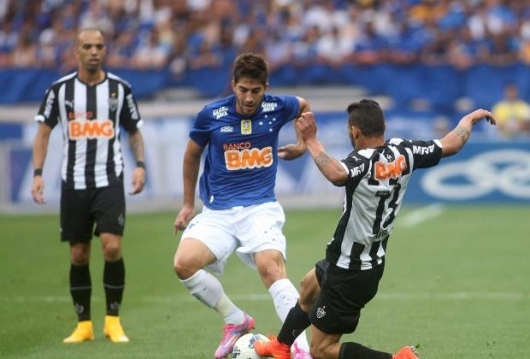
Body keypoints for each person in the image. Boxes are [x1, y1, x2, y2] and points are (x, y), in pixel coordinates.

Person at [254, 99, 496, 359]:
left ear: (355, 131)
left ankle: (397, 358)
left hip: (349, 271)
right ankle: (280, 346)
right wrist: (469, 118)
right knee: (309, 286)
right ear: (383, 127)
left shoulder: (362, 161)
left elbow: (336, 174)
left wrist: (311, 139)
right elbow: (452, 143)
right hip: (363, 262)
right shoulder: (403, 151)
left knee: (322, 350)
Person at [173, 52, 312, 359]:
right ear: (233, 85)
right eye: (243, 90)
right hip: (218, 211)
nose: (249, 98)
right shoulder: (212, 115)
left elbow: (303, 105)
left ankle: (302, 350)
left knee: (271, 268)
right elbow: (191, 155)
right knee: (183, 264)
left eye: (256, 91)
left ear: (266, 87)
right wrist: (187, 204)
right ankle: (235, 319)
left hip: (260, 207)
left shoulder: (278, 107)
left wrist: (303, 144)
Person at [31, 27, 146, 343]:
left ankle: (113, 320)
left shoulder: (121, 89)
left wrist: (140, 166)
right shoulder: (60, 90)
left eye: (99, 46)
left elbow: (134, 131)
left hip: (110, 178)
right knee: (79, 254)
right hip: (74, 182)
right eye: (87, 46)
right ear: (76, 51)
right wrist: (38, 172)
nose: (94, 51)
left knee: (112, 246)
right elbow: (43, 133)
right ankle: (84, 324)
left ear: (105, 50)